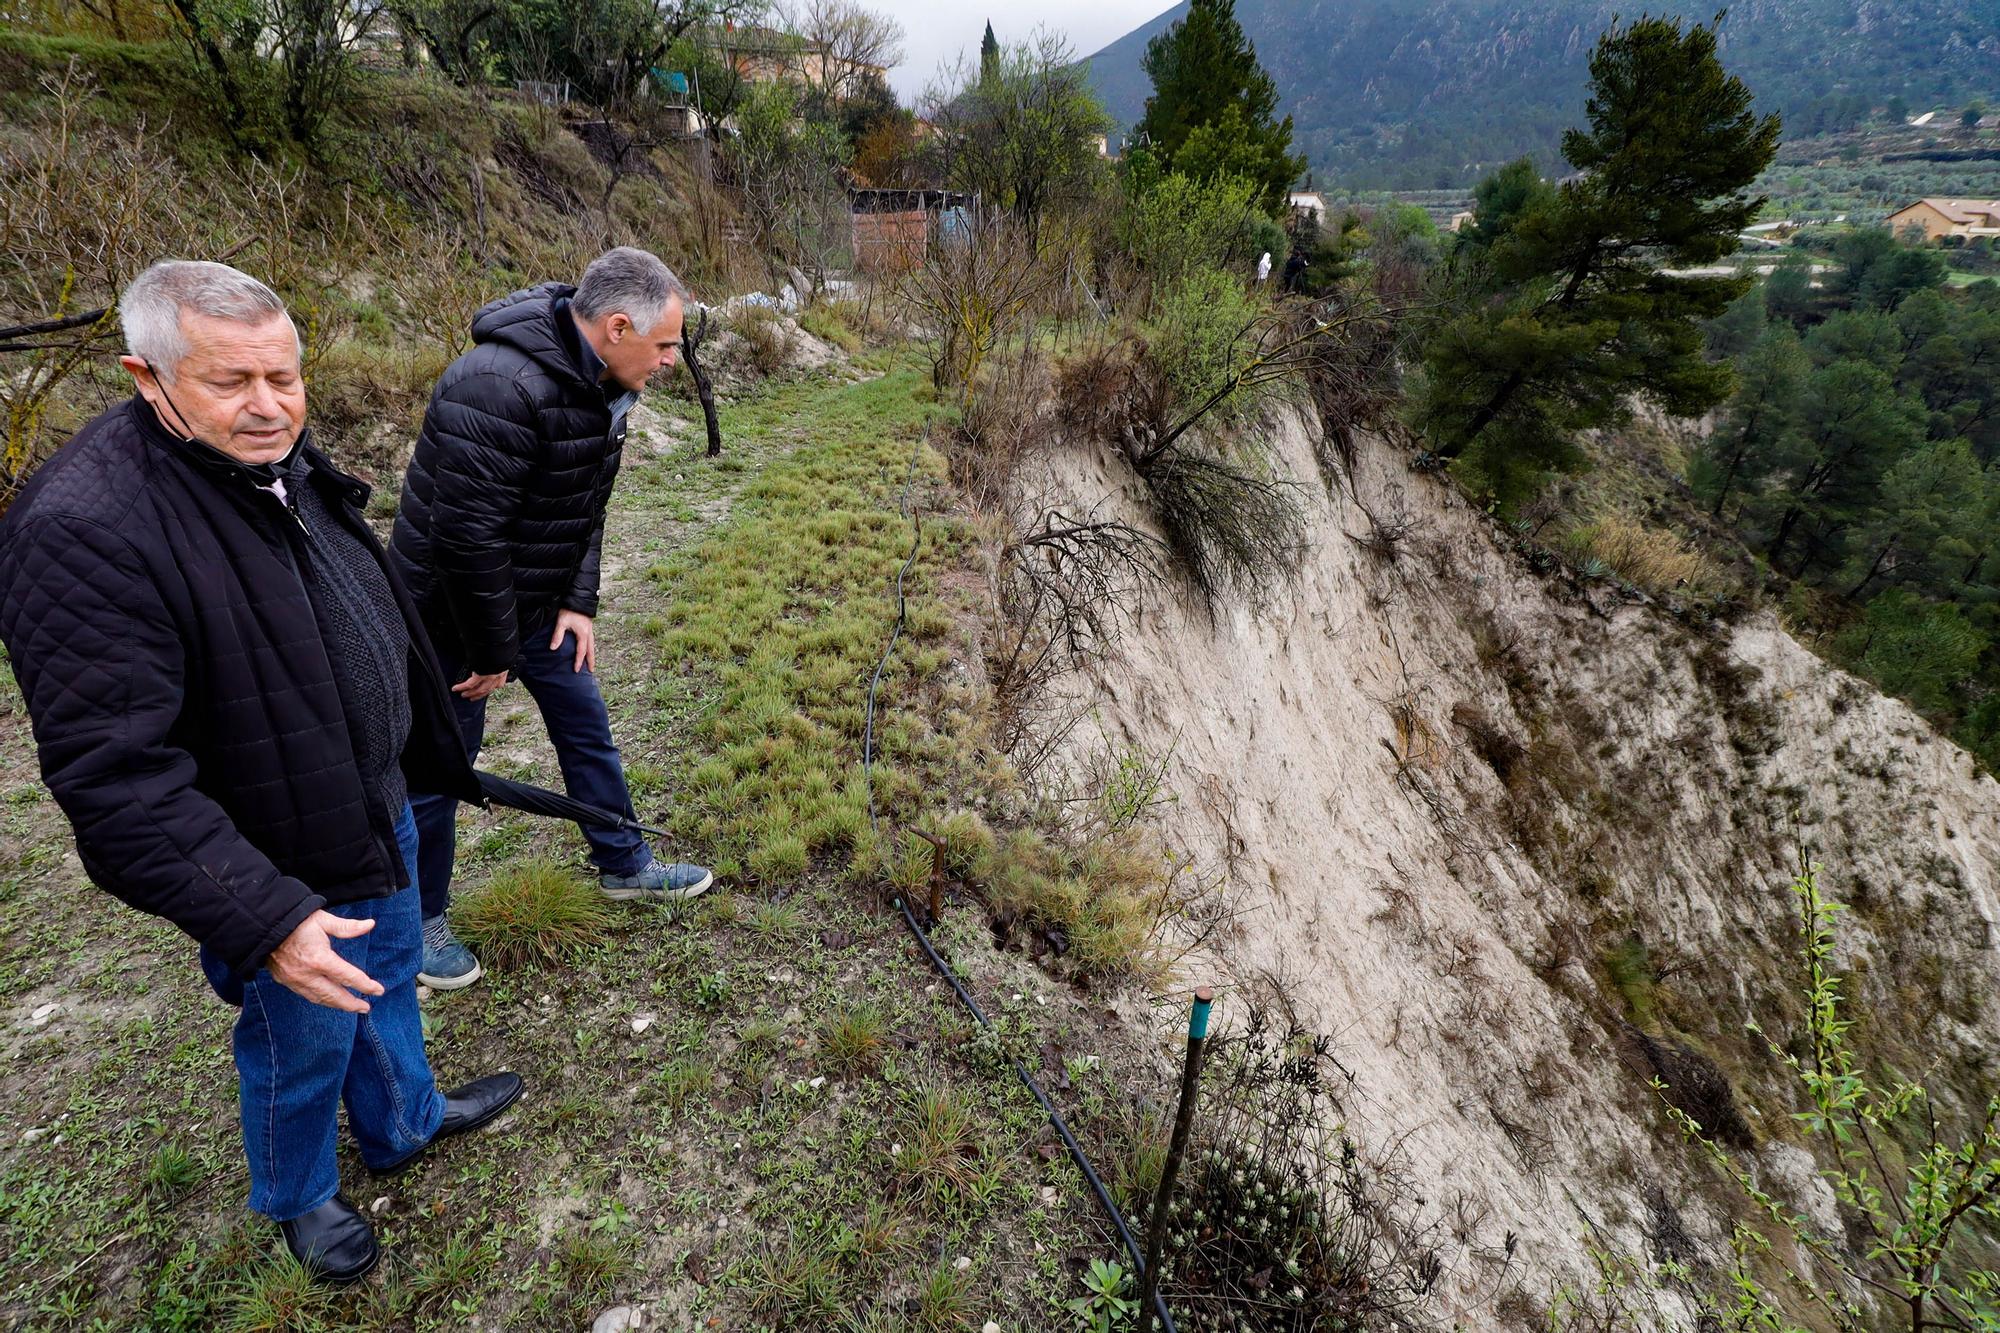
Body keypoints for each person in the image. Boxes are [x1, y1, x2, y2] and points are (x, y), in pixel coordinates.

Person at [0, 261, 523, 1284]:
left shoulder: (262, 450)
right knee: (300, 1040)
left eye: (285, 377)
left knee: (389, 986)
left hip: (366, 799)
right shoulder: (85, 528)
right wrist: (267, 918)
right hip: (274, 852)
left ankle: (405, 1120)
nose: (270, 405)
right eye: (232, 380)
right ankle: (299, 1196)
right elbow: (117, 781)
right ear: (146, 379)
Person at [391, 247, 712, 991]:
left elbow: (583, 505)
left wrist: (578, 600)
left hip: (532, 603)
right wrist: (493, 649)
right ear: (619, 327)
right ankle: (418, 925)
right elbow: (464, 537)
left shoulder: (605, 382)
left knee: (583, 719)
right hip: (447, 618)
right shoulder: (499, 386)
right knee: (439, 770)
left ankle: (624, 863)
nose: (671, 361)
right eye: (665, 346)